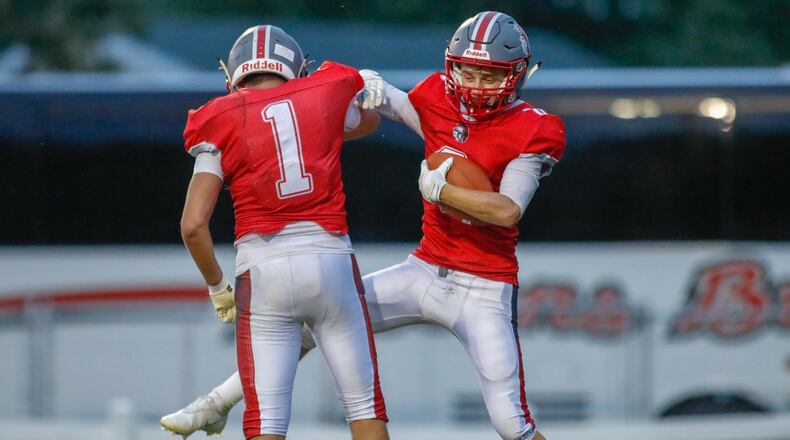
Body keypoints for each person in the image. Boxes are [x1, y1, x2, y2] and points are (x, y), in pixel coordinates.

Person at [162, 12, 564, 440]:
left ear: (517, 75)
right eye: (468, 70)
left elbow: (507, 210)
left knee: (511, 424)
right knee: (309, 330)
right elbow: (394, 104)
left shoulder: (533, 127)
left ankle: (216, 405)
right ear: (452, 65)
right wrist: (370, 84)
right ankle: (216, 403)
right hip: (425, 270)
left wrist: (442, 192)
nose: (475, 84)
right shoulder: (435, 97)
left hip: (484, 286)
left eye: (489, 75)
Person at [165, 24, 389, 440]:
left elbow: (193, 224)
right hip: (332, 262)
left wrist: (217, 287)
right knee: (363, 408)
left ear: (233, 73)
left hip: (262, 270)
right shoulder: (324, 90)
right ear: (296, 69)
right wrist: (320, 122)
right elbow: (369, 122)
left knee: (266, 421)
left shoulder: (217, 118)